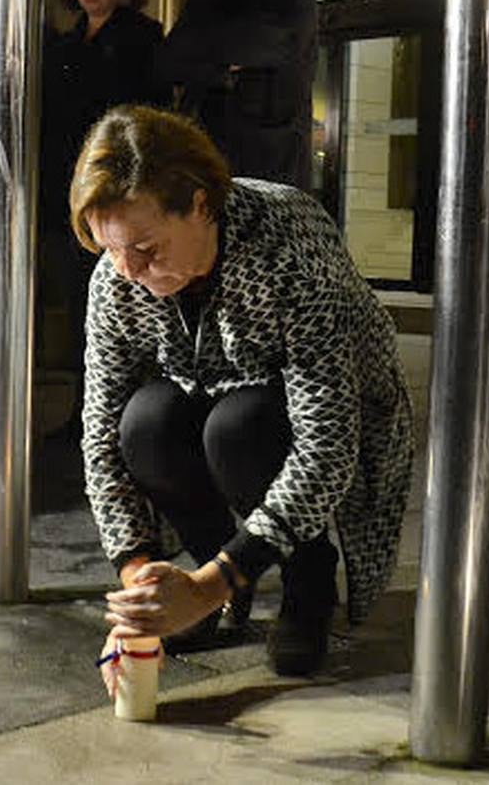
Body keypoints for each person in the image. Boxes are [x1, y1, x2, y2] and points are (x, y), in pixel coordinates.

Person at [71, 106, 413, 686]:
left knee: (238, 428)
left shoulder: (289, 247)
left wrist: (213, 584)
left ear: (201, 205)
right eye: (111, 249)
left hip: (303, 420)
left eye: (147, 249)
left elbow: (326, 445)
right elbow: (100, 436)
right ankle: (206, 574)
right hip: (204, 394)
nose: (127, 270)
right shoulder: (117, 277)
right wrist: (141, 586)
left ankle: (306, 583)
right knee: (144, 423)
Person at [41, 0, 165, 443]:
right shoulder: (65, 43)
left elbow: (146, 119)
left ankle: (127, 421)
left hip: (120, 192)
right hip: (71, 194)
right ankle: (85, 415)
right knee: (79, 308)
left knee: (125, 306)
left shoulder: (143, 37)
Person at [158, 0, 316, 191]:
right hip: (204, 163)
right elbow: (168, 63)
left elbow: (269, 48)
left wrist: (205, 56)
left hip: (273, 170)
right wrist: (224, 71)